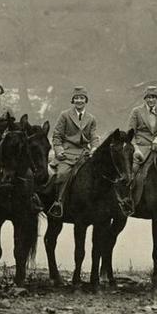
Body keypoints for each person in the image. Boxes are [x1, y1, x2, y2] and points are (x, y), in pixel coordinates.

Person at [47, 86, 100, 217]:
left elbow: (94, 136)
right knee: (62, 174)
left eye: (82, 98)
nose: (79, 101)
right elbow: (57, 136)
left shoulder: (91, 118)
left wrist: (94, 148)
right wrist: (59, 150)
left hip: (84, 153)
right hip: (67, 152)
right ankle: (58, 203)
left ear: (86, 100)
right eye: (76, 98)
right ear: (73, 100)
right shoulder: (65, 115)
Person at [128, 85, 157, 171]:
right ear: (145, 98)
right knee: (133, 171)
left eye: (153, 97)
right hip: (141, 150)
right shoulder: (136, 111)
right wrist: (135, 148)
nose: (151, 100)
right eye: (148, 97)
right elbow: (130, 133)